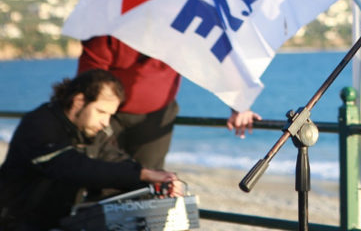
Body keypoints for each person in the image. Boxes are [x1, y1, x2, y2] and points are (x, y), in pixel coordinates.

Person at [0, 69, 183, 230]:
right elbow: (73, 167)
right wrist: (141, 174)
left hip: (63, 220)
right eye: (101, 112)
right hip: (19, 222)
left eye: (111, 115)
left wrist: (161, 181)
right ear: (79, 101)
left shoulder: (93, 132)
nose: (105, 122)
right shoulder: (39, 125)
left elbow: (117, 162)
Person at [78, 36, 261, 169]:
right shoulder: (110, 26)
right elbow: (88, 78)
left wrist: (239, 104)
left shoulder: (179, 27)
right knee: (100, 175)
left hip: (157, 114)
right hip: (105, 114)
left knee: (147, 182)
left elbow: (215, 60)